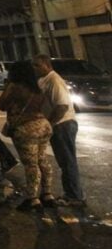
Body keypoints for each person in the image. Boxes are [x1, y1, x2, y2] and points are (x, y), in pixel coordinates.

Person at [0, 61, 55, 210]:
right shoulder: (37, 88)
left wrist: (8, 86)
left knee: (30, 164)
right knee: (42, 159)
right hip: (43, 125)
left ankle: (32, 198)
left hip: (26, 128)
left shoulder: (15, 87)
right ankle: (47, 194)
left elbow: (1, 104)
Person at [34, 54, 85, 207]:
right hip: (58, 125)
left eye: (37, 65)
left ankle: (75, 196)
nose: (34, 68)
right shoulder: (44, 80)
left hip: (63, 125)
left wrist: (49, 124)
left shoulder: (54, 80)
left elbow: (62, 106)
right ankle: (72, 193)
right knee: (64, 161)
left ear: (46, 65)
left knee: (67, 161)